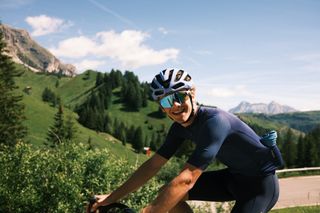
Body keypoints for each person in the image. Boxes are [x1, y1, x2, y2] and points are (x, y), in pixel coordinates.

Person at [90, 68, 283, 213]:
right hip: (232, 178)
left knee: (174, 191)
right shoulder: (178, 129)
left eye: (179, 96)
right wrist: (111, 197)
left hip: (260, 187)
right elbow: (152, 166)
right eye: (165, 101)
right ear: (161, 107)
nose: (174, 105)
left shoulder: (215, 121)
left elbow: (186, 179)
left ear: (192, 94)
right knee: (169, 194)